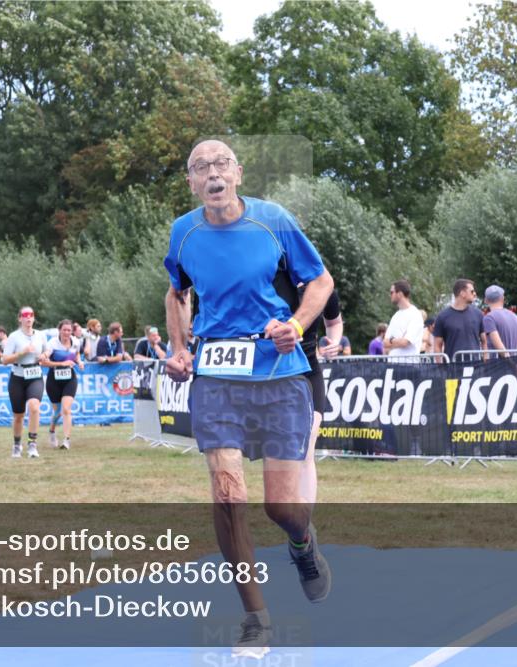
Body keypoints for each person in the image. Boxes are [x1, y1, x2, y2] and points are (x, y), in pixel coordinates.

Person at [163, 139, 334, 658]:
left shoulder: (274, 220)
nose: (212, 174)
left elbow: (320, 281)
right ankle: (255, 618)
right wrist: (178, 347)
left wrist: (297, 324)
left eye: (220, 164)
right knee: (227, 492)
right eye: (200, 168)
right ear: (191, 182)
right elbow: (177, 290)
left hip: (280, 371)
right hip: (217, 377)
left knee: (281, 507)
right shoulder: (183, 232)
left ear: (237, 172)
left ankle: (302, 544)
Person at [299, 288, 344, 506]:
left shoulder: (322, 285)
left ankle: (304, 527)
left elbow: (334, 322)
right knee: (280, 452)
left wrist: (334, 342)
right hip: (276, 375)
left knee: (308, 447)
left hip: (310, 373)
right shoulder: (271, 277)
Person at [1, 306, 46, 459]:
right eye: (25, 315)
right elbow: (4, 360)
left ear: (34, 318)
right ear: (20, 318)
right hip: (18, 377)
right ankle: (16, 445)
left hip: (35, 375)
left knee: (34, 407)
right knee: (18, 416)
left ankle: (32, 444)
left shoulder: (40, 335)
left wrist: (44, 356)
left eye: (31, 315)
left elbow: (47, 352)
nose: (28, 318)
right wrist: (22, 352)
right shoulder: (14, 337)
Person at [40, 318, 85, 450]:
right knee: (57, 412)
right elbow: (44, 362)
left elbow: (76, 355)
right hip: (53, 380)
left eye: (69, 330)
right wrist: (61, 363)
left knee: (66, 409)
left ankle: (66, 440)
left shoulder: (76, 342)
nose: (67, 332)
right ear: (59, 330)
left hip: (70, 379)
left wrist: (80, 362)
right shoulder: (52, 343)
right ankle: (52, 431)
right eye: (64, 330)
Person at [432, 279, 487, 361]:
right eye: (472, 291)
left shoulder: (478, 314)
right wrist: (440, 368)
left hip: (476, 366)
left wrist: (486, 361)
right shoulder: (442, 316)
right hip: (452, 367)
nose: (475, 294)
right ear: (462, 293)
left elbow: (484, 341)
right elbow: (437, 345)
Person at [383, 279, 424, 361]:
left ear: (400, 294)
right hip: (392, 364)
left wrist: (391, 340)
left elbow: (405, 342)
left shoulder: (415, 314)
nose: (390, 295)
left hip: (408, 366)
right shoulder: (395, 316)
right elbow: (385, 343)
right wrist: (398, 340)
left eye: (392, 292)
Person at [482, 285, 517, 357]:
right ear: (502, 298)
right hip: (516, 364)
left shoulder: (488, 318)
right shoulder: (515, 317)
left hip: (497, 366)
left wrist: (511, 363)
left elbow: (500, 348)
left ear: (486, 300)